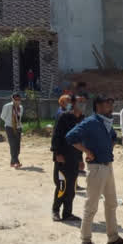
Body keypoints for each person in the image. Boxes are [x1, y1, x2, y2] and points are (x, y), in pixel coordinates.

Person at [66, 96, 123, 244]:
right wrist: (87, 151)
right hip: (96, 168)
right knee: (91, 205)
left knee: (111, 203)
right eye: (107, 103)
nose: (111, 106)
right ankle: (85, 240)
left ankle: (113, 237)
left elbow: (114, 138)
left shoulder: (106, 122)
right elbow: (70, 137)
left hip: (107, 166)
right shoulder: (91, 122)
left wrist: (108, 147)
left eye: (111, 103)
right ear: (98, 106)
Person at [51, 94, 86, 222]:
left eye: (84, 102)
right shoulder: (64, 117)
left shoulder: (82, 119)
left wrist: (81, 159)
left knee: (71, 188)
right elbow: (56, 136)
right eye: (79, 102)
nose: (82, 104)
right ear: (73, 104)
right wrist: (57, 154)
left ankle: (67, 213)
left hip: (74, 158)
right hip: (62, 157)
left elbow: (80, 140)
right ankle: (55, 210)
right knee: (62, 185)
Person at [1, 92, 23, 168]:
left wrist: (17, 123)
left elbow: (20, 117)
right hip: (9, 127)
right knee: (13, 144)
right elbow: (2, 116)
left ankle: (12, 162)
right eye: (16, 99)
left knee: (17, 145)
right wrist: (10, 121)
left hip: (18, 127)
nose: (17, 101)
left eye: (19, 99)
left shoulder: (21, 107)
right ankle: (16, 162)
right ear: (12, 99)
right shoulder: (7, 106)